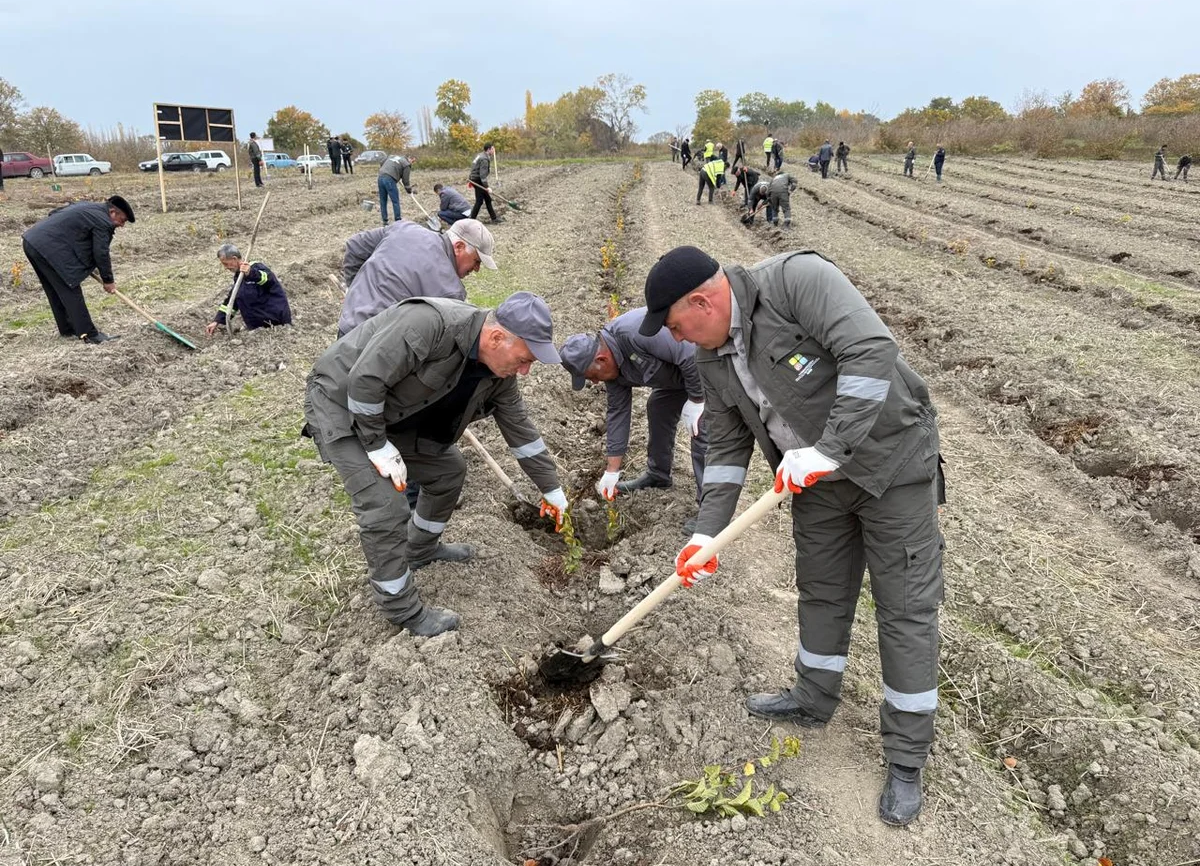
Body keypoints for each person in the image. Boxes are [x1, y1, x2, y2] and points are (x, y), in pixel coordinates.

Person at [638, 245, 944, 828]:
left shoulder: (798, 281)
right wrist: (707, 535)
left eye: (678, 326)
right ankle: (812, 698)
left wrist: (831, 449)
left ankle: (906, 759)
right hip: (812, 480)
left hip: (891, 463)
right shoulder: (711, 357)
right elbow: (726, 449)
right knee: (822, 590)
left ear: (703, 301)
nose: (679, 339)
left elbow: (870, 350)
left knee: (905, 609)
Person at [303, 292, 569, 635]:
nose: (526, 370)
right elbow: (365, 381)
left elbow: (522, 432)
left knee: (449, 470)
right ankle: (401, 609)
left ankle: (421, 550)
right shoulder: (430, 325)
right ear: (497, 337)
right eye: (524, 359)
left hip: (389, 414)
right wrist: (377, 445)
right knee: (385, 505)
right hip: (341, 404)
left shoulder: (500, 376)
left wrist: (552, 489)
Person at [559, 307, 707, 524]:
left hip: (708, 367)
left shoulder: (636, 332)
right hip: (678, 380)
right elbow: (618, 413)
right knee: (658, 406)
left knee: (701, 427)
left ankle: (709, 511)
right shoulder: (612, 373)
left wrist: (696, 400)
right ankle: (658, 475)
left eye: (592, 376)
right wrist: (612, 471)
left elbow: (690, 355)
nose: (595, 382)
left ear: (601, 359)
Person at [339, 218, 496, 335]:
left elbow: (355, 246)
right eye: (476, 261)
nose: (476, 269)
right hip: (375, 353)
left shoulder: (405, 228)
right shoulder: (451, 291)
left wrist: (354, 290)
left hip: (348, 325)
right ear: (459, 247)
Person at [21, 195, 135, 344]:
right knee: (70, 288)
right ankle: (90, 335)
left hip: (32, 241)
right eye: (122, 220)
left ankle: (67, 329)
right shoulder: (104, 221)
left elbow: (55, 214)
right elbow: (100, 252)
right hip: (49, 248)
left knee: (55, 290)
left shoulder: (87, 207)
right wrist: (108, 280)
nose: (122, 225)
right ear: (113, 212)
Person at [205, 243, 292, 336]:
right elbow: (232, 302)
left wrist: (250, 273)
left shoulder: (256, 268)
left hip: (277, 326)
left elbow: (268, 279)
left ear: (234, 259)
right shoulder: (238, 277)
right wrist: (217, 321)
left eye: (226, 264)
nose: (225, 268)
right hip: (258, 330)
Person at [377, 154, 415, 225]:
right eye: (412, 161)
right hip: (389, 180)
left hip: (380, 176)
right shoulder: (406, 164)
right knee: (395, 201)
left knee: (383, 200)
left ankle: (385, 221)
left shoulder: (392, 156)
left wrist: (388, 170)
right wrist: (408, 190)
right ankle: (398, 220)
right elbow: (405, 181)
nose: (412, 163)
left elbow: (382, 162)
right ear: (409, 158)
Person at [469, 143, 500, 223]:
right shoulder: (484, 159)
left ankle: (494, 218)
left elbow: (473, 167)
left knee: (487, 199)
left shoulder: (480, 155)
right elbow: (482, 176)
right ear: (489, 149)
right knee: (479, 201)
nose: (493, 151)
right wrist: (487, 187)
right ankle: (471, 220)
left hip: (474, 178)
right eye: (493, 149)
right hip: (478, 180)